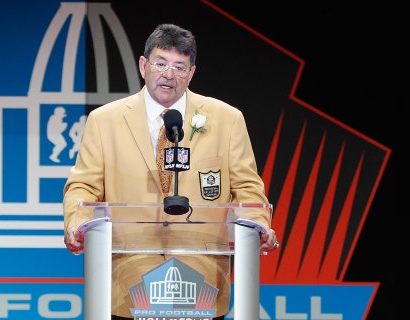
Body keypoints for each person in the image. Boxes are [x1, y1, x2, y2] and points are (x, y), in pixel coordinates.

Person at [62, 23, 279, 320]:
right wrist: (78, 222)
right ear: (143, 65)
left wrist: (257, 225)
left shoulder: (226, 120)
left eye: (179, 67)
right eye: (160, 63)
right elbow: (83, 187)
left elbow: (248, 189)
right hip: (126, 283)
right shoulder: (104, 121)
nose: (168, 74)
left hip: (202, 283)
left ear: (191, 73)